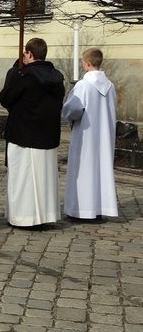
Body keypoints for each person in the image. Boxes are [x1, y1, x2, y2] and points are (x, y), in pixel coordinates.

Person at [0, 38, 65, 227]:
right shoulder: (57, 77)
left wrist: (13, 76)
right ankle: (46, 215)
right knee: (45, 179)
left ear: (30, 54)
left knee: (23, 178)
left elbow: (5, 98)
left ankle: (23, 217)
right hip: (47, 133)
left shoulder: (25, 76)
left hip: (24, 134)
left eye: (25, 53)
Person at [62, 48, 118, 220]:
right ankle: (100, 207)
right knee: (101, 169)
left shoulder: (83, 85)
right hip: (104, 135)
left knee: (83, 170)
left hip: (85, 134)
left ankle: (82, 210)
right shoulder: (110, 86)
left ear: (86, 63)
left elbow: (73, 109)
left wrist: (68, 118)